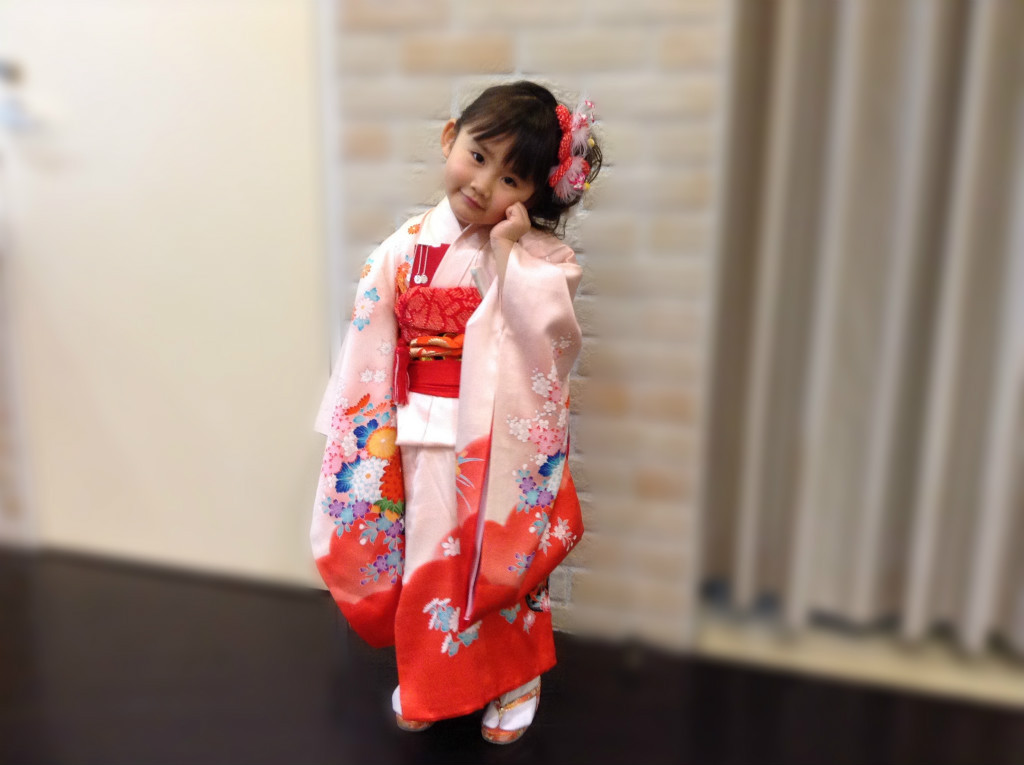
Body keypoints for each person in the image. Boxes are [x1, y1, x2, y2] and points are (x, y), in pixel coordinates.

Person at [310, 81, 602, 744]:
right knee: (431, 562)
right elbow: (370, 341)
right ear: (450, 138)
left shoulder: (540, 259)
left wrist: (506, 254)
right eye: (478, 156)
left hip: (495, 441)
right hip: (417, 429)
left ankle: (516, 678)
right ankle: (431, 681)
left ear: (534, 194)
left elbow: (547, 342)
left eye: (512, 178)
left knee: (497, 559)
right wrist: (364, 432)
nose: (484, 184)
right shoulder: (402, 246)